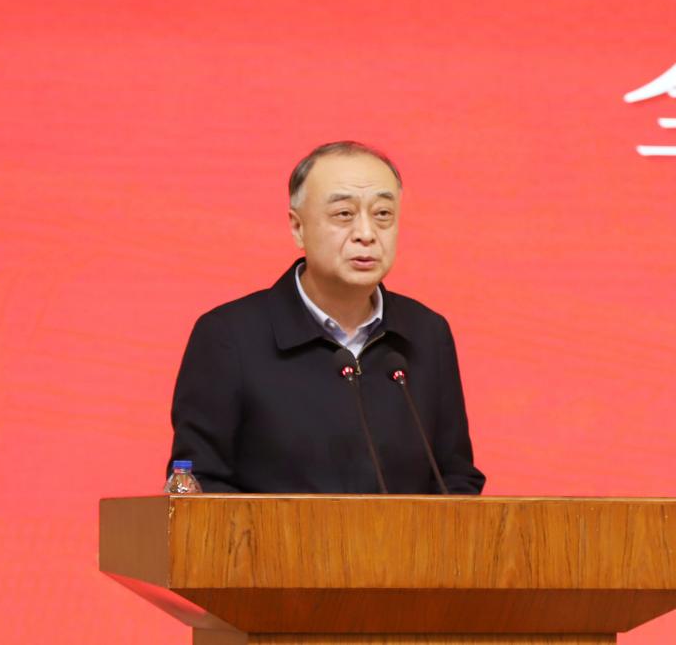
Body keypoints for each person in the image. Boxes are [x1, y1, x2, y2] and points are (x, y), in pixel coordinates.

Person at [167, 141, 485, 494]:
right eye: (344, 214)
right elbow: (199, 486)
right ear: (297, 227)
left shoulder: (426, 333)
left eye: (382, 214)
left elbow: (455, 478)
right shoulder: (228, 337)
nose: (366, 234)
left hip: (408, 535)